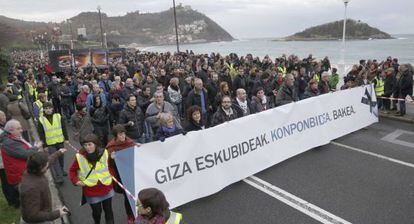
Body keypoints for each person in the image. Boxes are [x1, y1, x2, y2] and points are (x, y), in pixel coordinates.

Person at [69, 134, 115, 224]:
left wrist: (111, 173)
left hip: (106, 187)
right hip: (91, 190)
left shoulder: (104, 152)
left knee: (108, 211)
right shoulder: (80, 157)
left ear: (96, 144)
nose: (87, 147)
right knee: (97, 212)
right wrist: (76, 181)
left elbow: (109, 166)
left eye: (90, 144)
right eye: (85, 145)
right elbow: (72, 171)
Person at [1, 119, 43, 208]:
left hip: (23, 175)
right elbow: (25, 154)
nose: (21, 130)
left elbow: (25, 149)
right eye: (18, 128)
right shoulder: (9, 143)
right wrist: (36, 147)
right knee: (31, 201)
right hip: (20, 178)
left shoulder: (13, 138)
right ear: (11, 130)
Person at [19, 150, 69, 224]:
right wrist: (57, 213)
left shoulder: (33, 171)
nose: (48, 165)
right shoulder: (31, 188)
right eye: (46, 165)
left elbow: (48, 161)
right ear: (40, 167)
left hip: (42, 213)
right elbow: (33, 215)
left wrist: (58, 153)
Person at [106, 125, 137, 224]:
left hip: (133, 173)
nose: (123, 136)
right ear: (116, 136)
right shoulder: (111, 147)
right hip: (122, 175)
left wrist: (139, 148)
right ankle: (130, 216)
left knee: (137, 195)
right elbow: (107, 164)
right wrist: (111, 158)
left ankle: (138, 213)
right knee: (128, 197)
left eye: (123, 133)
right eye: (120, 134)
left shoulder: (130, 142)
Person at [37, 102, 68, 185]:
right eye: (46, 108)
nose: (48, 110)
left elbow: (63, 127)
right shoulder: (41, 119)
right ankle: (59, 177)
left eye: (49, 108)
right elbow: (41, 134)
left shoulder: (58, 116)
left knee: (61, 158)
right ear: (43, 109)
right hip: (50, 143)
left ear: (52, 108)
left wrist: (67, 138)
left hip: (60, 140)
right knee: (54, 159)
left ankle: (61, 170)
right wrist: (44, 145)